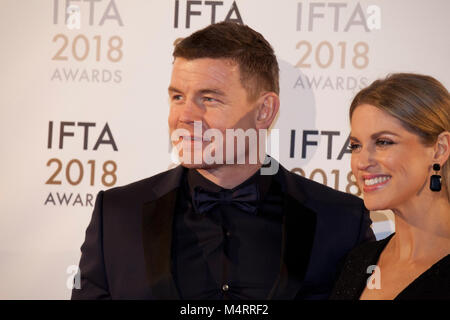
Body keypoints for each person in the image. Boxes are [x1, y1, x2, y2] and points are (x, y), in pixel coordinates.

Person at [71, 22, 374, 300]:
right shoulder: (116, 215)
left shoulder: (341, 220)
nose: (184, 116)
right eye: (177, 97)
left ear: (264, 111)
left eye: (209, 98)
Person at [330, 73, 450, 300]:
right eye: (356, 146)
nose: (362, 162)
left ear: (439, 149)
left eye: (383, 142)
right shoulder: (358, 261)